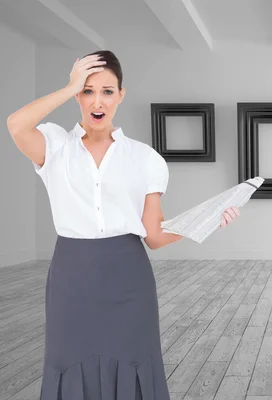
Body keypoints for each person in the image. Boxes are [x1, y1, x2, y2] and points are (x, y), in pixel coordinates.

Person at [6, 50, 240, 399]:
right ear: (77, 95)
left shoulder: (146, 158)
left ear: (121, 94)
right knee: (68, 360)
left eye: (107, 91)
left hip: (129, 280)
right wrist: (69, 86)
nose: (97, 101)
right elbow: (15, 125)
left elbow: (155, 236)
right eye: (87, 91)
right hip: (72, 278)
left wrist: (207, 220)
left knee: (133, 362)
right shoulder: (54, 146)